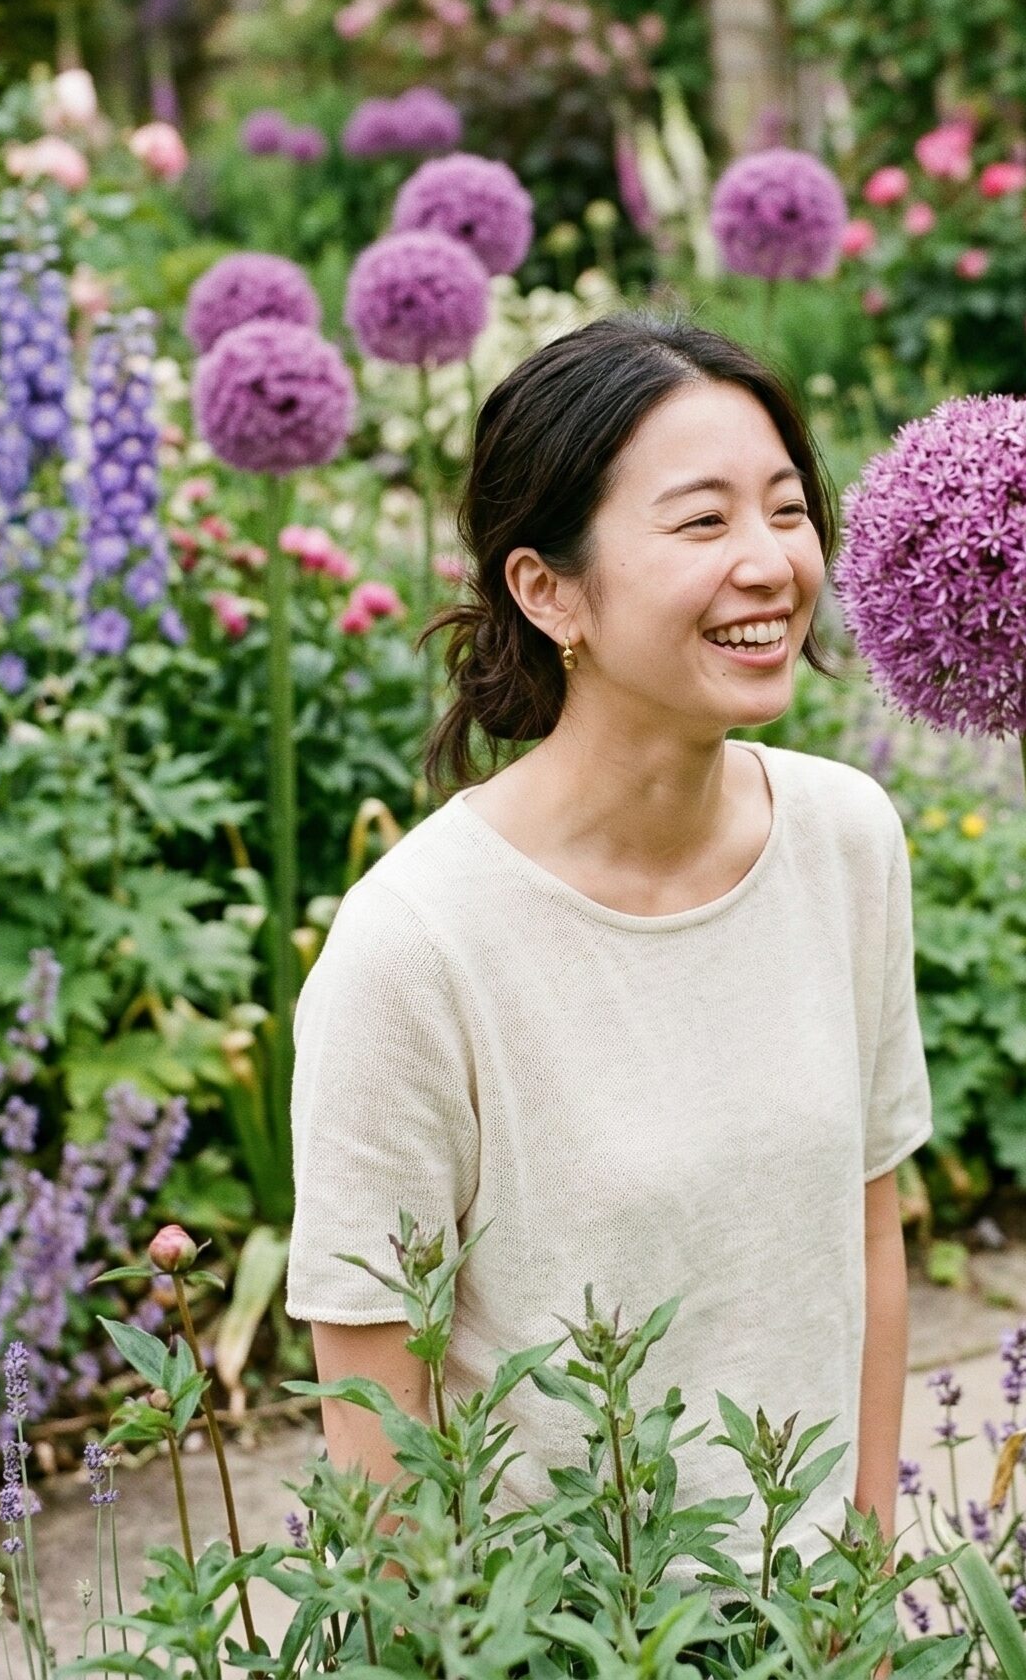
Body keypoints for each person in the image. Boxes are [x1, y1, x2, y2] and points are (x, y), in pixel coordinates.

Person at [285, 315, 933, 1590]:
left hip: (812, 1620)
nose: (768, 564)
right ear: (547, 589)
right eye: (701, 523)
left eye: (786, 508)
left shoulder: (843, 839)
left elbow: (864, 1240)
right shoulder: (413, 948)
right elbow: (378, 1430)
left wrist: (862, 1580)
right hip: (560, 1630)